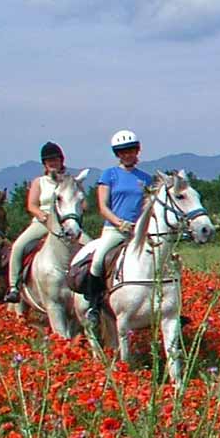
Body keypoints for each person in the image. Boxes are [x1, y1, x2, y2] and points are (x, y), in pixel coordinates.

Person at [82, 130, 151, 316]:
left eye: (130, 150)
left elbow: (148, 207)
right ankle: (94, 305)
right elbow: (103, 206)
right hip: (114, 230)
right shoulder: (109, 175)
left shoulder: (145, 178)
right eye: (123, 152)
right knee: (97, 261)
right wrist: (119, 223)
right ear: (117, 154)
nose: (127, 155)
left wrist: (139, 225)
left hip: (139, 231)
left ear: (137, 151)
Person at [4, 142, 79, 302]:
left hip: (66, 223)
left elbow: (81, 202)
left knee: (89, 246)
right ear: (44, 163)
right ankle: (14, 286)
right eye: (49, 160)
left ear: (61, 160)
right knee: (18, 246)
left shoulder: (70, 180)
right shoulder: (39, 182)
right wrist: (42, 215)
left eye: (55, 159)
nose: (52, 163)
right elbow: (31, 205)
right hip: (43, 222)